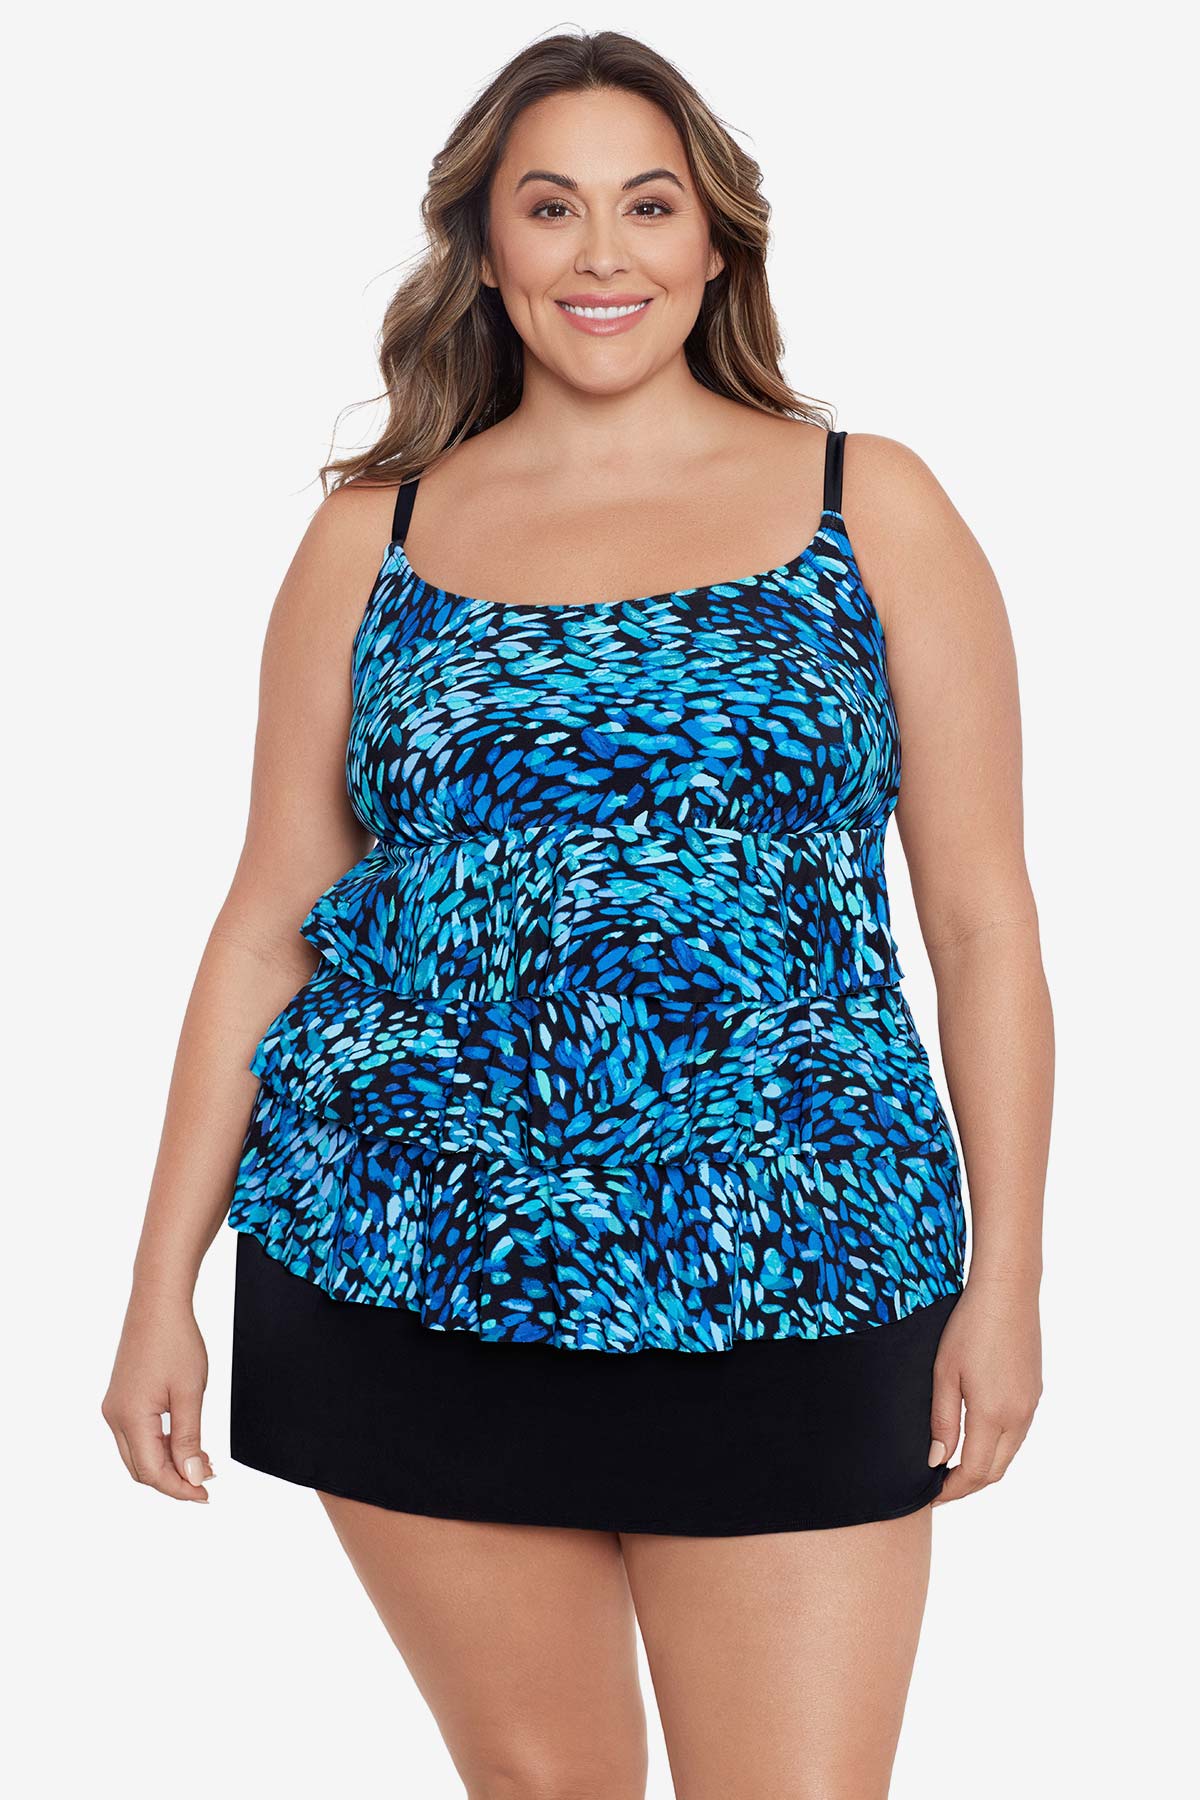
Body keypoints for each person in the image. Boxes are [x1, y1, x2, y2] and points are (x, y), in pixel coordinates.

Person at [102, 28, 1052, 1799]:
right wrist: (160, 1288)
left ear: (717, 242)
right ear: (485, 250)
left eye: (649, 205)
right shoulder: (371, 537)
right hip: (403, 1246)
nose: (602, 253)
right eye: (551, 209)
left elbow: (986, 926)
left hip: (803, 1255)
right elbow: (267, 920)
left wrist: (1010, 1281)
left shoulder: (871, 505)